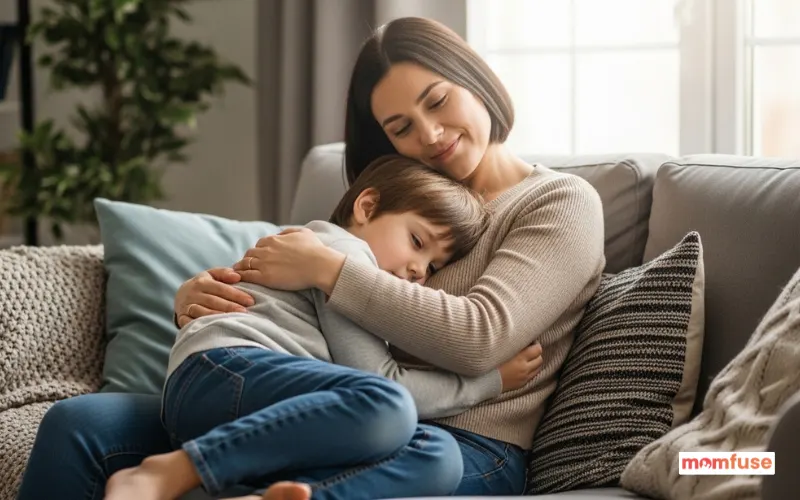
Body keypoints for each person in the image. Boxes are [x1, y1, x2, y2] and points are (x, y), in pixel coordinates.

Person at [17, 15, 602, 500]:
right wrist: (198, 297)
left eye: (438, 100)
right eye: (401, 127)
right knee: (79, 424)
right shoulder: (398, 206)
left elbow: (481, 338)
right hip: (321, 403)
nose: (429, 134)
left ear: (475, 79)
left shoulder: (560, 201)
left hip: (463, 443)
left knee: (422, 445)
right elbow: (292, 295)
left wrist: (329, 271)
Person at [101, 155, 543, 500]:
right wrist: (488, 382)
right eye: (416, 241)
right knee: (384, 402)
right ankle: (174, 470)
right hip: (229, 372)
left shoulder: (329, 257)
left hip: (241, 401)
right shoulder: (341, 254)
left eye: (433, 265)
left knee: (437, 453)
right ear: (366, 207)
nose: (417, 270)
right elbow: (381, 383)